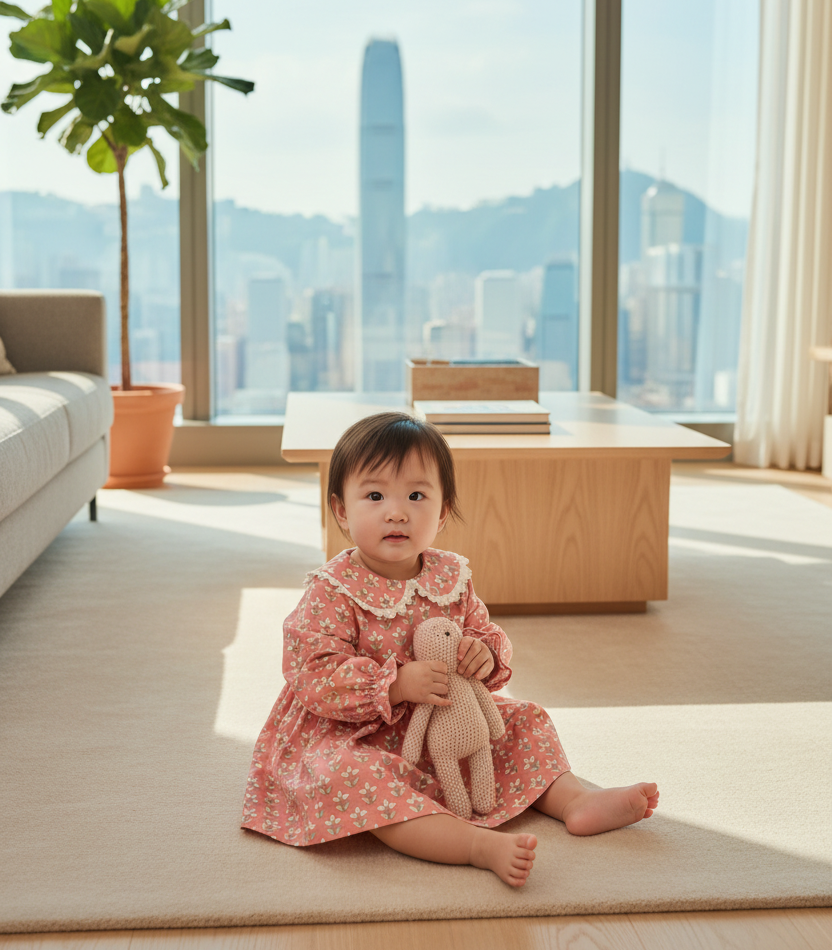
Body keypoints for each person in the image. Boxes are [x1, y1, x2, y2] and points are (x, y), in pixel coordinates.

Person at [242, 411, 659, 886]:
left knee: (525, 719)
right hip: (355, 731)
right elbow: (313, 671)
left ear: (442, 513)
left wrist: (484, 654)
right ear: (341, 511)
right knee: (349, 775)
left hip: (447, 721)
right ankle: (474, 845)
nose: (397, 513)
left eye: (416, 496)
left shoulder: (450, 576)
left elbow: (480, 630)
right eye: (375, 496)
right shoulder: (333, 589)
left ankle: (574, 800)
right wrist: (394, 684)